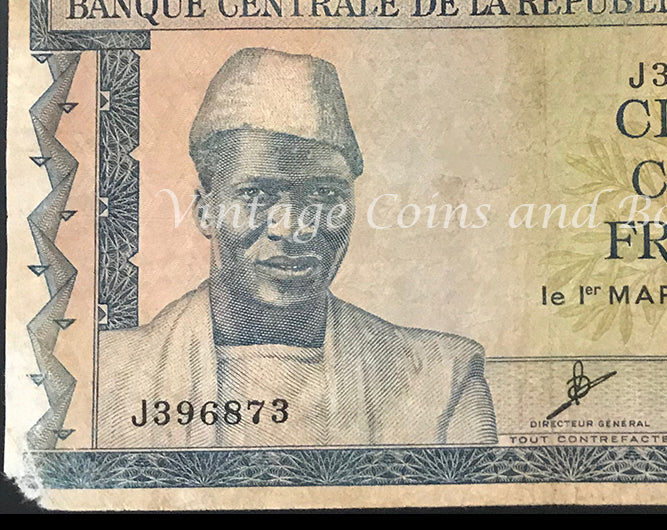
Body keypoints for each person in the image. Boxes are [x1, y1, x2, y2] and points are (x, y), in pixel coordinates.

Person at [98, 47, 497, 448]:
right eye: (255, 194)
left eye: (325, 194)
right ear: (205, 212)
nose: (294, 228)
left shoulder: (441, 378)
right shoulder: (108, 375)